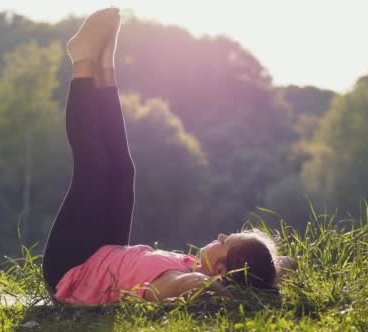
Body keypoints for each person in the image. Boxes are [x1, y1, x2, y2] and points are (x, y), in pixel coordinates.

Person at [41, 8, 296, 305]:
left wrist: (208, 286)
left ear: (221, 269)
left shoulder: (176, 279)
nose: (222, 235)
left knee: (94, 170)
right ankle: (104, 71)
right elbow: (276, 269)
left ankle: (83, 62)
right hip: (104, 251)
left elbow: (187, 285)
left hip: (72, 269)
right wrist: (280, 267)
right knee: (123, 173)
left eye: (225, 243)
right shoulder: (192, 264)